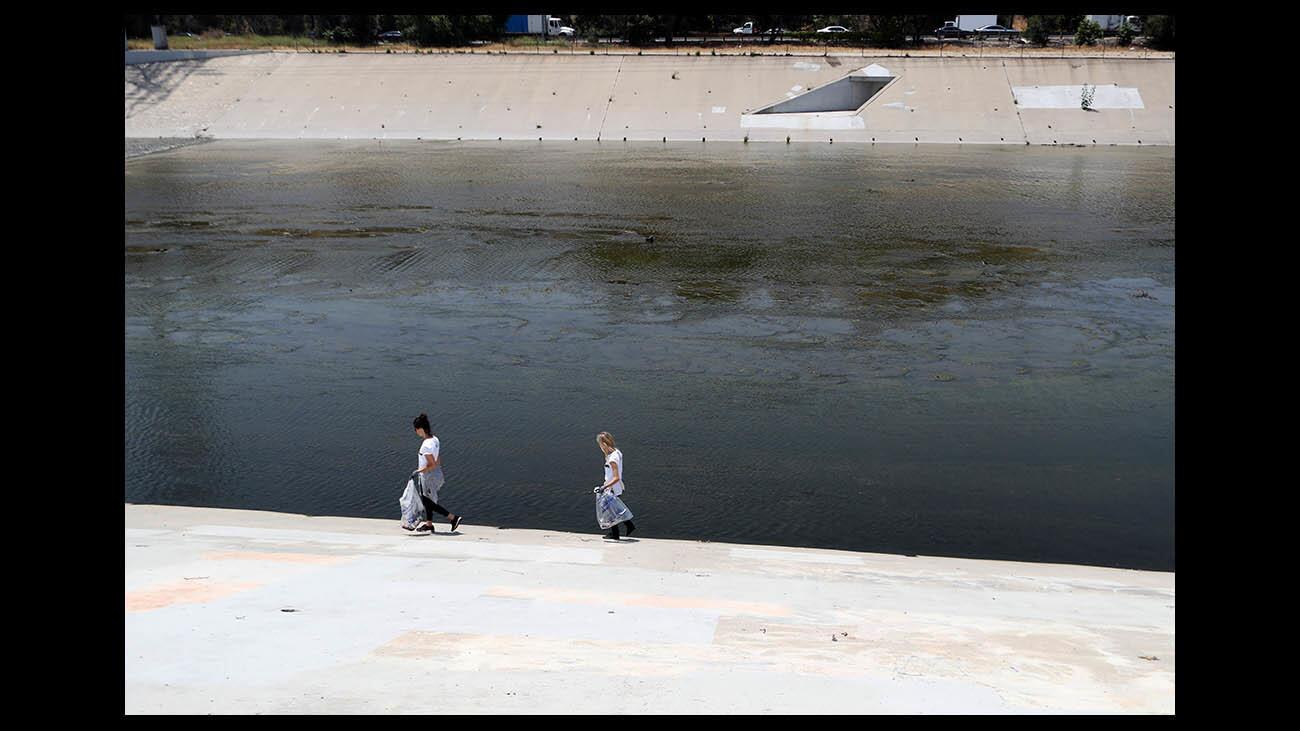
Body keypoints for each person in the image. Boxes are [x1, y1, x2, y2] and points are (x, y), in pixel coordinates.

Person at [410, 413, 463, 533]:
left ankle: (453, 518)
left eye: (416, 429)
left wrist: (420, 471)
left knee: (428, 501)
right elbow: (437, 460)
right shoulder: (435, 440)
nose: (416, 432)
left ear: (421, 429)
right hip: (435, 473)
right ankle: (429, 525)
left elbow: (432, 464)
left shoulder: (425, 446)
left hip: (428, 475)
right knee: (426, 499)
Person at [594, 431, 636, 540]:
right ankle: (627, 526)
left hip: (612, 487)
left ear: (604, 444)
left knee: (608, 510)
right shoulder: (616, 452)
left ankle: (617, 533)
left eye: (600, 445)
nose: (600, 447)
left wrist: (603, 487)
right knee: (613, 509)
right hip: (610, 485)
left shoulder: (612, 459)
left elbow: (616, 477)